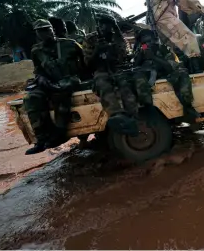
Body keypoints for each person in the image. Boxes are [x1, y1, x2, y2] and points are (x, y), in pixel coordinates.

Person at [24, 19, 85, 155]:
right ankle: (41, 139)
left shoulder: (69, 44)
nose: (45, 33)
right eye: (41, 31)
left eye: (47, 29)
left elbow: (86, 61)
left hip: (70, 79)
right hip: (50, 81)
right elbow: (38, 69)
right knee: (31, 98)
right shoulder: (36, 50)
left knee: (60, 92)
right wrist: (41, 78)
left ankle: (60, 133)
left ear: (52, 29)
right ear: (37, 34)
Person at [82, 14, 139, 136]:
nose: (103, 27)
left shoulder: (117, 38)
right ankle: (116, 115)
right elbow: (87, 63)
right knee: (103, 84)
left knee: (126, 86)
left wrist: (112, 48)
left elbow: (124, 57)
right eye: (101, 24)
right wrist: (97, 50)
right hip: (100, 69)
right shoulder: (90, 39)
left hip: (117, 68)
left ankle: (132, 119)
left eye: (107, 24)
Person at [133, 24, 200, 126]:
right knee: (138, 77)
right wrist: (141, 56)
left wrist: (154, 57)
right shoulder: (140, 52)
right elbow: (135, 67)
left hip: (164, 72)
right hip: (149, 74)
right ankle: (149, 108)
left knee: (181, 73)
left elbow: (170, 66)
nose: (148, 44)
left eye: (149, 41)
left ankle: (188, 107)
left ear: (154, 40)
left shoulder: (162, 49)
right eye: (144, 42)